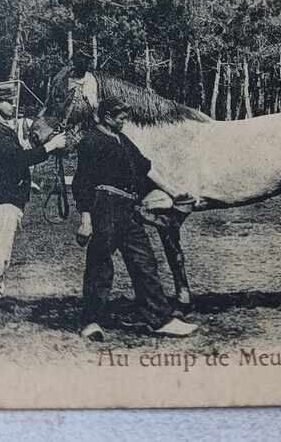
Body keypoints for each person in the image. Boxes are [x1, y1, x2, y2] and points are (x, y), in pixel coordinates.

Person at [73, 97, 198, 341]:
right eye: (121, 117)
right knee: (100, 266)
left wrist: (174, 192)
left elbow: (145, 167)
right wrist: (86, 219)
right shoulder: (91, 141)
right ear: (108, 116)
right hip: (104, 207)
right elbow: (82, 183)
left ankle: (161, 320)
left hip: (129, 209)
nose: (124, 121)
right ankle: (90, 322)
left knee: (144, 263)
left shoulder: (122, 140)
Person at [0, 88, 68, 334]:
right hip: (2, 203)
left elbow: (5, 164)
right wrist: (51, 146)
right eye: (9, 102)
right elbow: (17, 158)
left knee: (1, 255)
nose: (14, 105)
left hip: (6, 199)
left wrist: (22, 180)